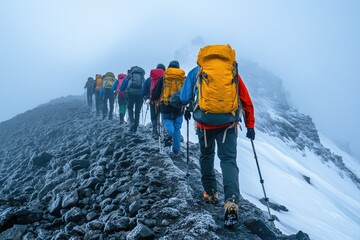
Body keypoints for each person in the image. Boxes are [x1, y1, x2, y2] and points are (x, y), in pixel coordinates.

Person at [179, 44, 255, 227]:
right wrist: (250, 125)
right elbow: (246, 100)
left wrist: (188, 108)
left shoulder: (196, 71)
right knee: (228, 160)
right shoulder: (232, 72)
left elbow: (183, 97)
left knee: (206, 155)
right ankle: (231, 202)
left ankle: (211, 193)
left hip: (204, 122)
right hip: (228, 123)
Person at [152, 60, 185, 155]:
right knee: (177, 128)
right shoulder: (183, 78)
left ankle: (168, 138)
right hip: (179, 107)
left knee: (167, 122)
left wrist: (154, 99)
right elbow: (187, 93)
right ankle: (176, 150)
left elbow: (155, 93)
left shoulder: (164, 77)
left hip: (166, 106)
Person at [142, 63, 165, 138]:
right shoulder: (166, 77)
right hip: (163, 101)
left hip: (153, 100)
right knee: (163, 116)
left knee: (154, 116)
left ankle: (155, 131)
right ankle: (164, 132)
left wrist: (146, 97)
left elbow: (144, 90)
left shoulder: (150, 78)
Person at [120, 66, 145, 132]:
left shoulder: (128, 77)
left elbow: (121, 88)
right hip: (140, 95)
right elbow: (145, 87)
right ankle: (136, 125)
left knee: (129, 108)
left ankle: (131, 122)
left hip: (130, 95)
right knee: (137, 111)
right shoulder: (142, 78)